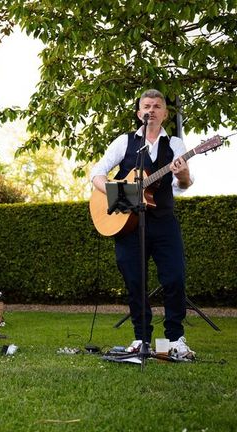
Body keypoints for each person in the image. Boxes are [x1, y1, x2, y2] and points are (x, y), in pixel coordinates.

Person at [90, 89, 196, 359]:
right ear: (139, 113)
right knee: (135, 282)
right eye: (146, 106)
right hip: (127, 223)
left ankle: (176, 338)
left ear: (165, 114)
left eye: (157, 106)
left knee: (174, 278)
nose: (151, 109)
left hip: (163, 222)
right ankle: (141, 338)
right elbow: (96, 174)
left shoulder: (175, 145)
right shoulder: (124, 142)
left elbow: (183, 185)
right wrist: (119, 195)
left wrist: (184, 174)